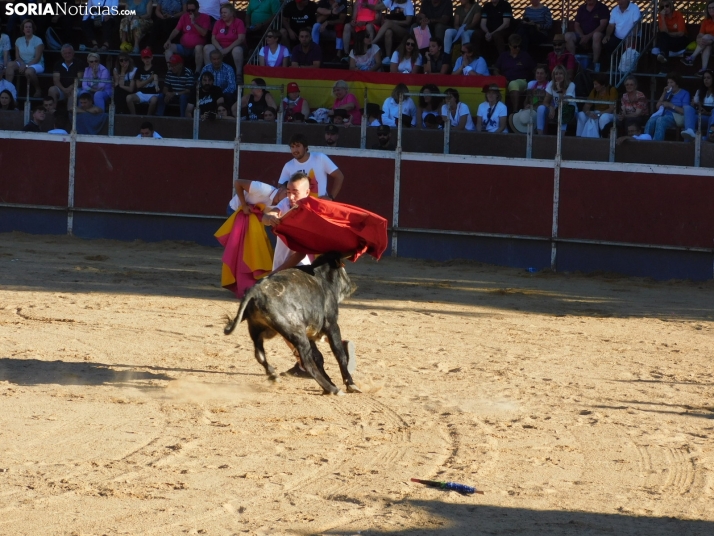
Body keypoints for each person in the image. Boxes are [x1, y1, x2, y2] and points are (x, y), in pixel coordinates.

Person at [278, 133, 345, 200]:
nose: (295, 150)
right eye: (292, 147)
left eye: (298, 146)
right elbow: (280, 187)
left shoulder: (320, 158)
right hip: (299, 207)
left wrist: (331, 197)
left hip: (319, 206)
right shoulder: (288, 165)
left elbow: (339, 176)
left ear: (306, 147)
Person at [203, 3, 246, 83]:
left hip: (234, 46)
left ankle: (238, 74)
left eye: (225, 13)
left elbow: (240, 39)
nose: (222, 15)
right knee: (207, 47)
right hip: (220, 47)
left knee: (237, 50)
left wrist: (227, 49)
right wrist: (220, 49)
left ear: (232, 13)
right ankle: (208, 73)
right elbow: (213, 39)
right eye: (221, 13)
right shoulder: (218, 23)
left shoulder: (239, 22)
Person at [163, 0, 210, 73]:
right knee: (168, 48)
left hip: (197, 48)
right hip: (184, 47)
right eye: (188, 10)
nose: (190, 12)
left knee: (198, 48)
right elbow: (176, 30)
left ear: (198, 9)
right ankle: (171, 72)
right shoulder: (184, 16)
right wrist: (169, 40)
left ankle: (197, 72)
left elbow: (204, 33)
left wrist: (193, 22)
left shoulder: (205, 17)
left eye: (193, 10)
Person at [643, 72, 690, 141]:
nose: (669, 85)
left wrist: (671, 105)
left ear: (677, 83)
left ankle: (656, 145)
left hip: (676, 116)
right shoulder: (668, 93)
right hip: (664, 114)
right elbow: (657, 107)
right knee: (651, 120)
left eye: (672, 82)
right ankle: (645, 142)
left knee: (660, 120)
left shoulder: (685, 93)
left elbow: (685, 111)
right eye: (668, 83)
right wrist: (664, 93)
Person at [494, 34, 535, 111]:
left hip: (521, 81)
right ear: (509, 45)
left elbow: (534, 69)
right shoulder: (504, 56)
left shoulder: (525, 56)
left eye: (519, 46)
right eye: (515, 46)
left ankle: (515, 111)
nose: (517, 48)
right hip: (506, 81)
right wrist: (500, 77)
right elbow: (496, 69)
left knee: (513, 84)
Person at [565, 0, 609, 71]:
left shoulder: (602, 8)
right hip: (582, 36)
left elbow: (602, 25)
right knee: (568, 35)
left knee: (596, 35)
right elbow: (576, 25)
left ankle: (594, 63)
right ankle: (573, 62)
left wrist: (588, 37)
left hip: (598, 35)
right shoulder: (581, 8)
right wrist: (583, 37)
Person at [5, 19, 44, 98]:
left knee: (28, 72)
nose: (28, 29)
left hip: (36, 63)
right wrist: (22, 64)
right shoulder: (18, 40)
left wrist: (26, 66)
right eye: (26, 27)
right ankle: (8, 89)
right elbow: (17, 57)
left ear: (33, 29)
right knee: (10, 64)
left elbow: (37, 58)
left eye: (30, 27)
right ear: (23, 29)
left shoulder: (38, 40)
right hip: (22, 62)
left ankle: (38, 89)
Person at [602, 0, 641, 73]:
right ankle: (612, 66)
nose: (620, 1)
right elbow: (611, 25)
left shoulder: (634, 8)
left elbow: (637, 24)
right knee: (607, 43)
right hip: (618, 37)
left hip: (632, 37)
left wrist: (632, 36)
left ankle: (626, 71)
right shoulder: (614, 10)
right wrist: (607, 35)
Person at [536, 64, 576, 135]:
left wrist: (559, 90)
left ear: (564, 75)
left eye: (561, 74)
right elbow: (545, 102)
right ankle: (540, 135)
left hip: (570, 109)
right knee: (541, 108)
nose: (558, 76)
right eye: (556, 74)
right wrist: (551, 107)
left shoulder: (571, 85)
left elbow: (564, 102)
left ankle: (561, 137)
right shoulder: (551, 83)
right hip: (556, 108)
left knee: (563, 110)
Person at [576, 73, 617, 137]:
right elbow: (586, 106)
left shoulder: (611, 90)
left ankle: (603, 138)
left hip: (609, 114)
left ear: (603, 84)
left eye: (596, 84)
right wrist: (588, 113)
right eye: (594, 84)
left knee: (604, 117)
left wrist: (599, 114)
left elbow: (611, 109)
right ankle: (579, 138)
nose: (594, 86)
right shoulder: (594, 91)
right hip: (597, 112)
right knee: (581, 115)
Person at [681, 1, 714, 75]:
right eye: (709, 8)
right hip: (708, 44)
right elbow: (700, 35)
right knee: (707, 45)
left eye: (713, 8)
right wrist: (699, 40)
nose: (711, 9)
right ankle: (704, 69)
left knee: (707, 36)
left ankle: (692, 57)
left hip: (712, 42)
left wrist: (711, 41)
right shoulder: (705, 21)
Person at [127, 47, 161, 115]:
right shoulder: (139, 69)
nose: (147, 59)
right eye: (145, 58)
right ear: (142, 59)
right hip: (141, 93)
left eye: (148, 57)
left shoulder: (156, 68)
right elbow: (138, 85)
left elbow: (156, 77)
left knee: (154, 100)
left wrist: (156, 86)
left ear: (151, 57)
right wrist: (150, 79)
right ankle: (133, 116)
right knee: (128, 98)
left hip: (153, 94)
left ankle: (148, 117)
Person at [682, 69, 714, 140]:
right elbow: (695, 108)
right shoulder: (699, 92)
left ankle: (708, 137)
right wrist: (695, 106)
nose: (706, 80)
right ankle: (690, 132)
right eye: (704, 78)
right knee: (688, 108)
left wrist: (707, 112)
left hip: (711, 118)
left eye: (708, 78)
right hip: (701, 116)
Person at [656, 2, 688, 66]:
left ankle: (663, 64)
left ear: (671, 6)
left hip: (680, 40)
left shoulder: (678, 14)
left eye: (667, 6)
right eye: (662, 7)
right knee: (662, 37)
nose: (665, 8)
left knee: (664, 41)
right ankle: (663, 57)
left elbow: (681, 33)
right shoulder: (661, 16)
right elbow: (664, 32)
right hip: (668, 41)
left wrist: (669, 34)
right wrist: (662, 18)